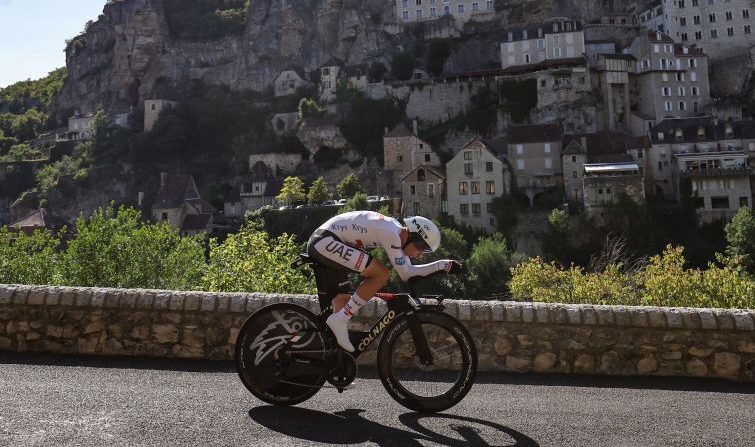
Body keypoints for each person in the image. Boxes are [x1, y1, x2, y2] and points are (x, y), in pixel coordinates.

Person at [306, 210, 462, 352]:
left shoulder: (396, 231)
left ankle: (338, 364)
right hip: (325, 241)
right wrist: (443, 265)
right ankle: (340, 320)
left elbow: (409, 270)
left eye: (425, 250)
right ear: (413, 236)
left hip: (329, 240)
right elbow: (406, 274)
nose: (420, 254)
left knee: (342, 300)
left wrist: (443, 266)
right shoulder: (391, 233)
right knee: (381, 274)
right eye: (422, 247)